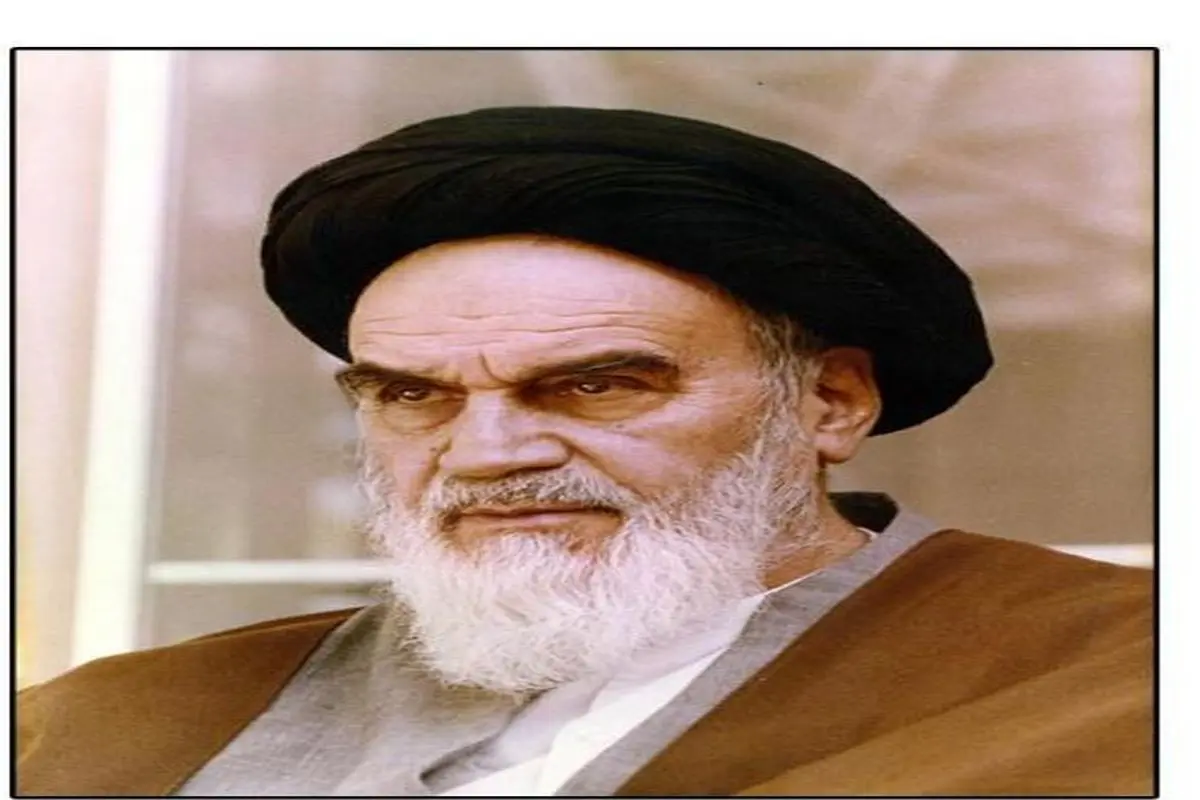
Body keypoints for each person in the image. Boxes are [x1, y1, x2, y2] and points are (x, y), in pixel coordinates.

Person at [16, 106, 1152, 797]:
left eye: (595, 384)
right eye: (413, 394)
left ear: (831, 402)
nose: (487, 453)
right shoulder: (95, 726)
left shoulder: (1121, 683)